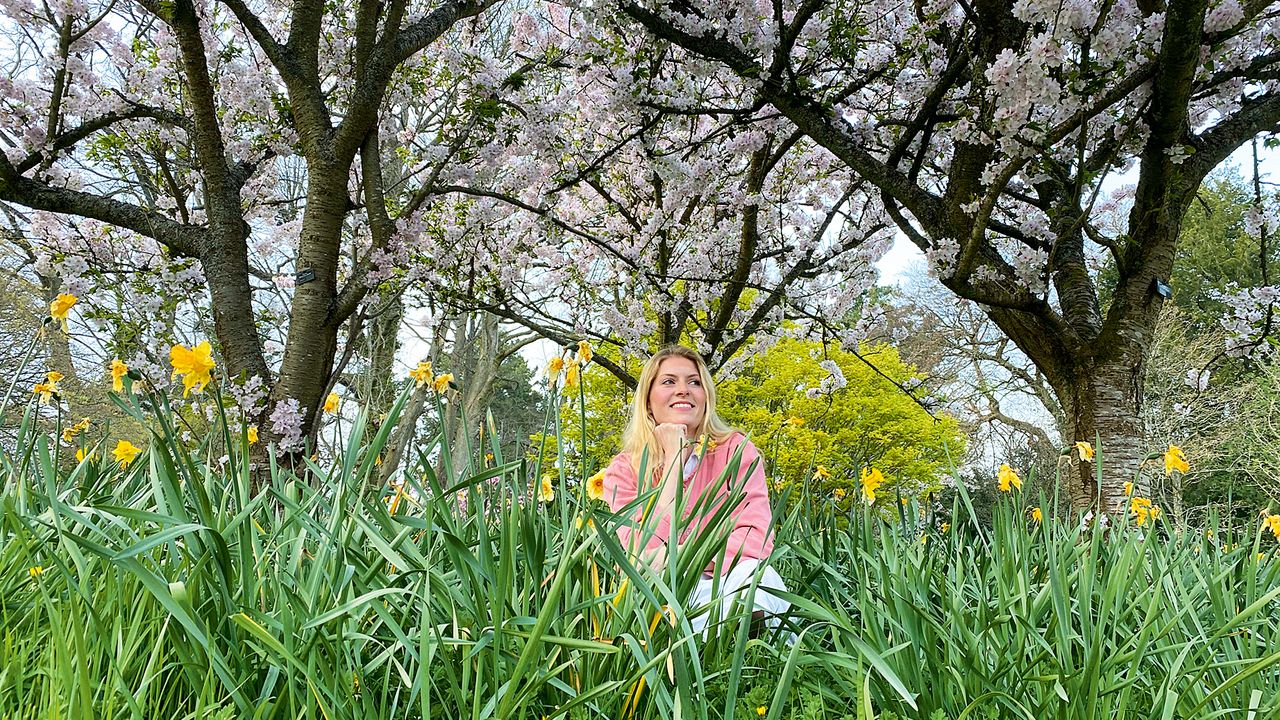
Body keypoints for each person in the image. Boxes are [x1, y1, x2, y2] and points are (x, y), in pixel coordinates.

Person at [601, 345, 790, 637]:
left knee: (755, 579)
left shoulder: (735, 451)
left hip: (729, 576)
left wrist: (682, 556)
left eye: (694, 382)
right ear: (648, 401)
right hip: (661, 591)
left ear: (706, 396)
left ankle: (749, 655)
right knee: (662, 601)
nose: (683, 390)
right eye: (668, 381)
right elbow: (641, 554)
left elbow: (755, 536)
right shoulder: (623, 471)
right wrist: (674, 458)